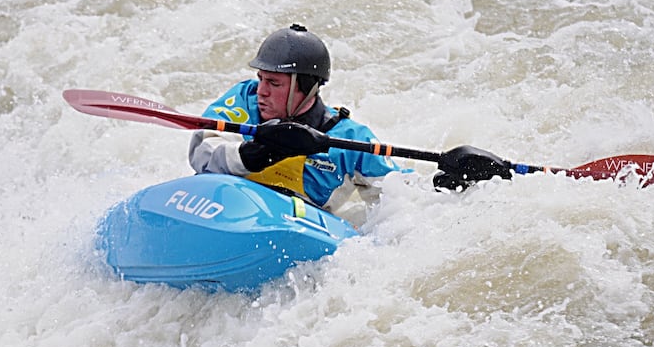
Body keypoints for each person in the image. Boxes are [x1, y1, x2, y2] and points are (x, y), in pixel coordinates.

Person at [188, 24, 511, 213]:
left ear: (306, 88)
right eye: (260, 78)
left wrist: (452, 183)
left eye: (274, 83)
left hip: (288, 225)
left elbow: (401, 194)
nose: (262, 91)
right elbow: (201, 150)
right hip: (228, 208)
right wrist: (253, 153)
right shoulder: (243, 99)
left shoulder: (347, 139)